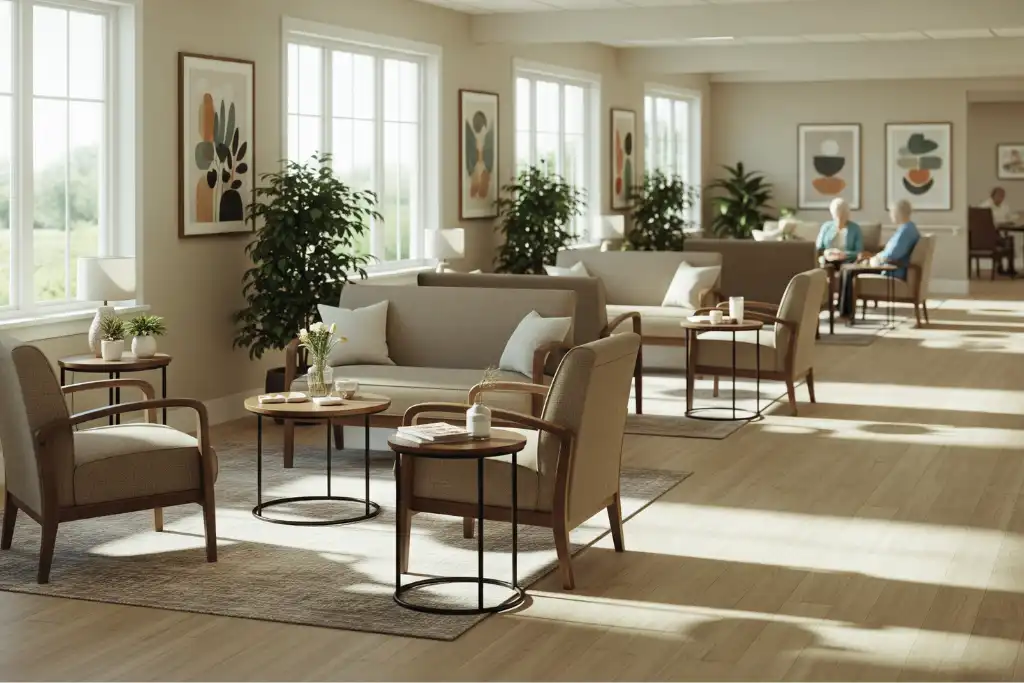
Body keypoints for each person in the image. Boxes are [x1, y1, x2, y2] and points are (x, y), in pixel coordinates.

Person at [837, 199, 920, 319]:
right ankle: (844, 309)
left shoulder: (906, 231)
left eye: (892, 212)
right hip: (889, 265)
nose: (891, 215)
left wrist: (873, 260)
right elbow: (890, 252)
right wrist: (874, 257)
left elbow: (891, 255)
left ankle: (846, 312)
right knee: (848, 269)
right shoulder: (907, 228)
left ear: (898, 213)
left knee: (849, 270)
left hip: (892, 270)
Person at [979, 186, 1017, 275]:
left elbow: (1009, 217)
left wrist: (1016, 217)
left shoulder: (1004, 206)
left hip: (999, 232)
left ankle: (1009, 267)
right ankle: (1000, 266)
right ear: (993, 195)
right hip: (986, 235)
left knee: (1009, 240)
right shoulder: (985, 206)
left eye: (1003, 196)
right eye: (1000, 196)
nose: (1001, 198)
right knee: (1007, 241)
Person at [815, 197, 864, 263]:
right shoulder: (826, 227)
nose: (839, 219)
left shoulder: (855, 228)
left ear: (847, 214)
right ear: (832, 214)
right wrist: (827, 252)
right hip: (828, 261)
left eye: (842, 215)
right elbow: (818, 248)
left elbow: (859, 252)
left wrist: (844, 254)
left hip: (848, 261)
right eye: (837, 216)